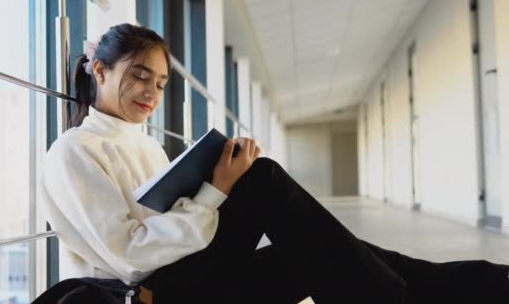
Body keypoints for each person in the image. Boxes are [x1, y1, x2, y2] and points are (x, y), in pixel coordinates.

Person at [39, 23, 509, 304]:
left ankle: (490, 282)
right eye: (139, 76)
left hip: (187, 274)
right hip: (149, 294)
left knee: (319, 251)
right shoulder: (73, 153)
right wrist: (217, 191)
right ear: (99, 70)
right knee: (263, 181)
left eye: (161, 84)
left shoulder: (145, 145)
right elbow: (131, 255)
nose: (151, 93)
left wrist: (213, 186)